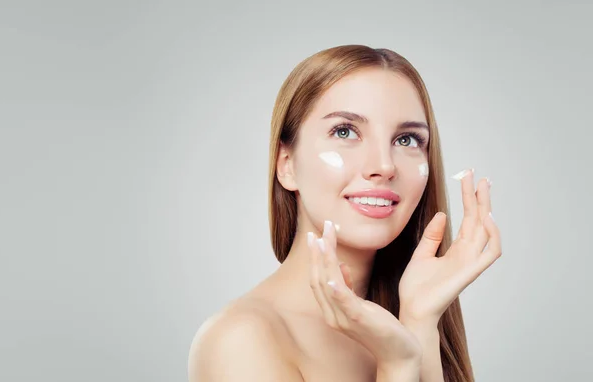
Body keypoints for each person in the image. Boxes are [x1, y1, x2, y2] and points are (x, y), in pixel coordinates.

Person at [187, 44, 502, 382]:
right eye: (345, 131)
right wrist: (398, 363)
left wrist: (420, 320)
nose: (384, 165)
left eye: (407, 140)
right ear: (287, 165)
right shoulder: (240, 339)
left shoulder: (411, 315)